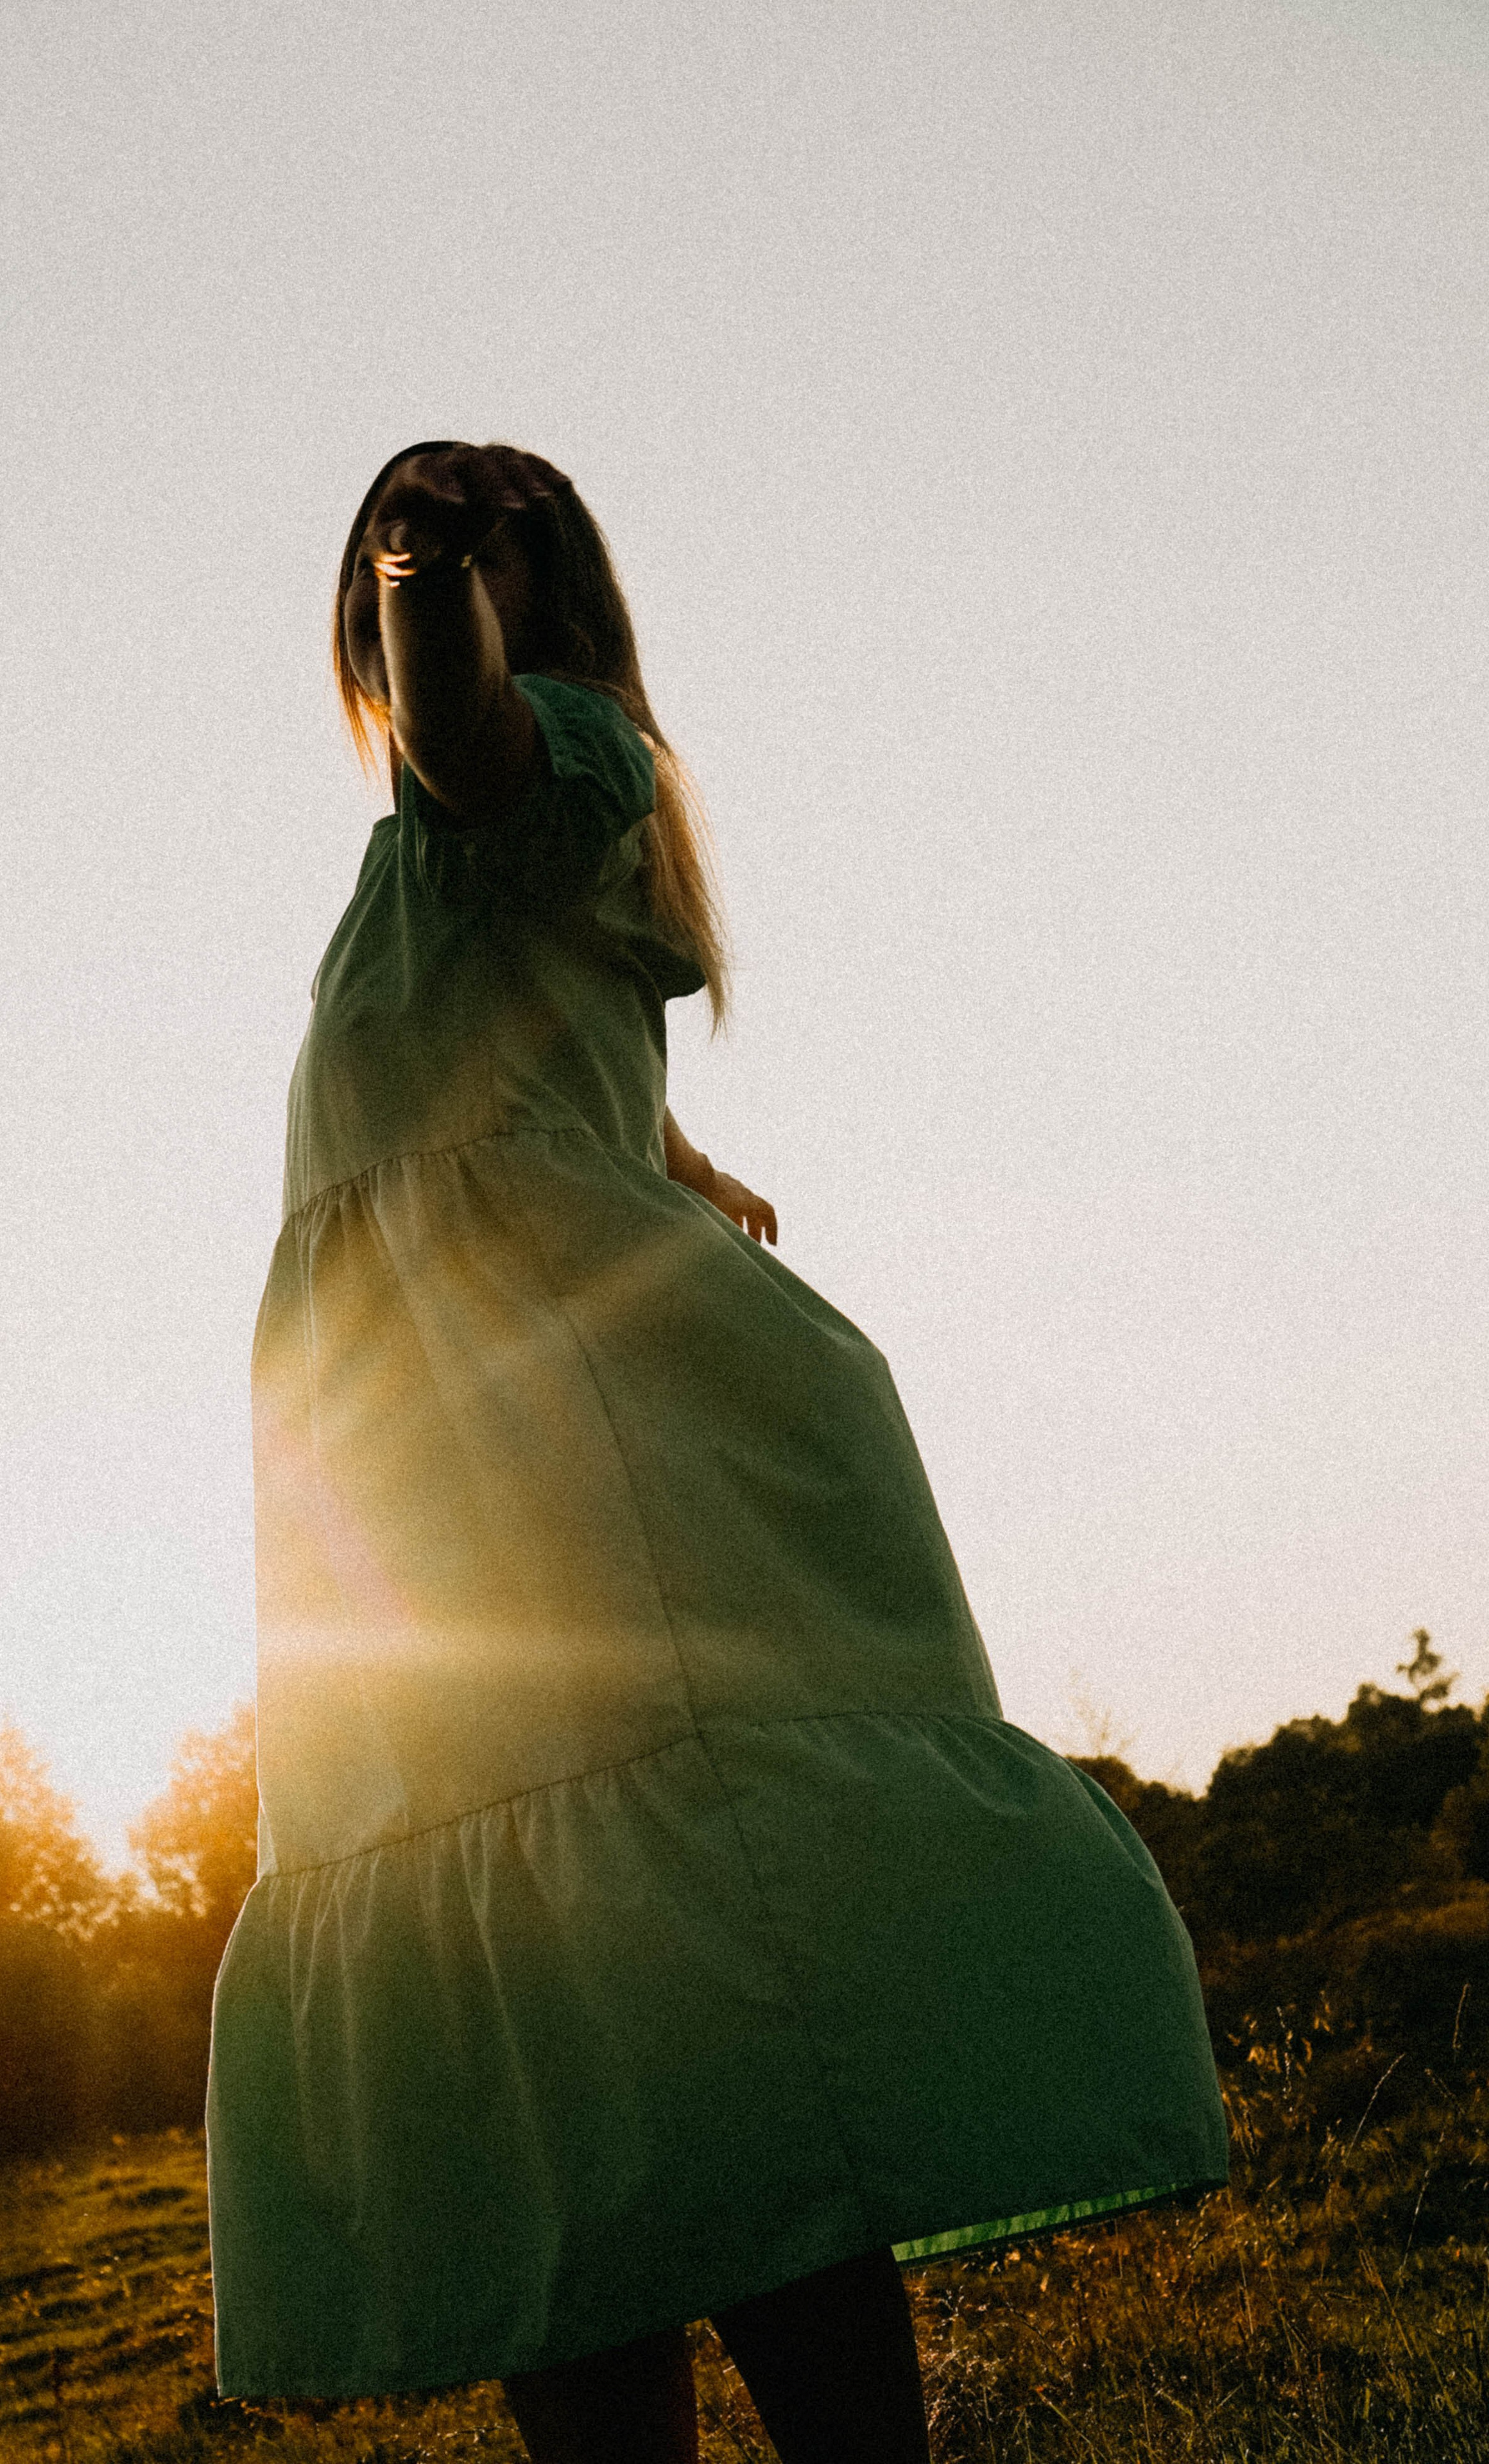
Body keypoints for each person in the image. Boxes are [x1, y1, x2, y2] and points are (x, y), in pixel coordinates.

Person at [206, 441, 1228, 2461]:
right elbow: (521, 1037)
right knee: (550, 2051)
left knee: (681, 1980)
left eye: (480, 519)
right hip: (422, 1461)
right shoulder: (453, 846)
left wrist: (427, 577)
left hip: (551, 1449)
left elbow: (471, 729)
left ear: (535, 590)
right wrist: (672, 1154)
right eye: (401, 516)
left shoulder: (541, 754)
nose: (422, 538)